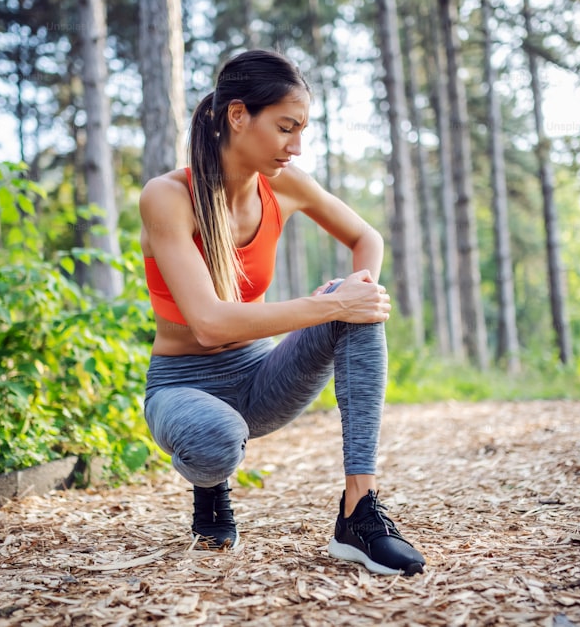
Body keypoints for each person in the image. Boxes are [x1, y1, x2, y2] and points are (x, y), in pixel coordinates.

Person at [139, 49, 425, 576]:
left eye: (303, 130)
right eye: (286, 127)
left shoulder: (285, 184)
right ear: (238, 115)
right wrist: (330, 302)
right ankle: (210, 484)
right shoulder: (167, 196)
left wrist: (354, 291)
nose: (296, 146)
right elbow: (209, 322)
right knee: (216, 439)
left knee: (357, 303)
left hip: (260, 378)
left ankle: (358, 512)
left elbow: (367, 236)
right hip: (182, 387)